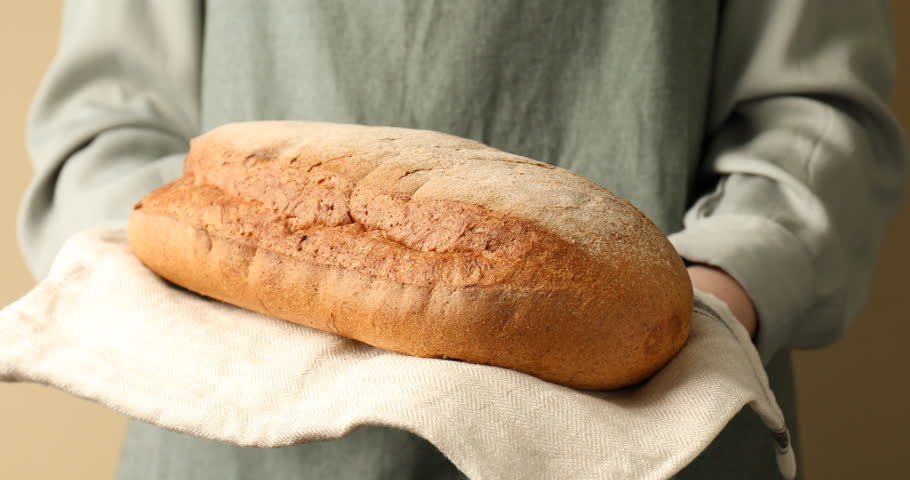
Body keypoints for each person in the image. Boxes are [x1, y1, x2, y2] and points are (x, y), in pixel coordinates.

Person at [18, 1, 906, 478]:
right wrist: (206, 311)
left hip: (648, 438)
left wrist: (718, 295)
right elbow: (107, 126)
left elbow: (817, 113)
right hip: (241, 444)